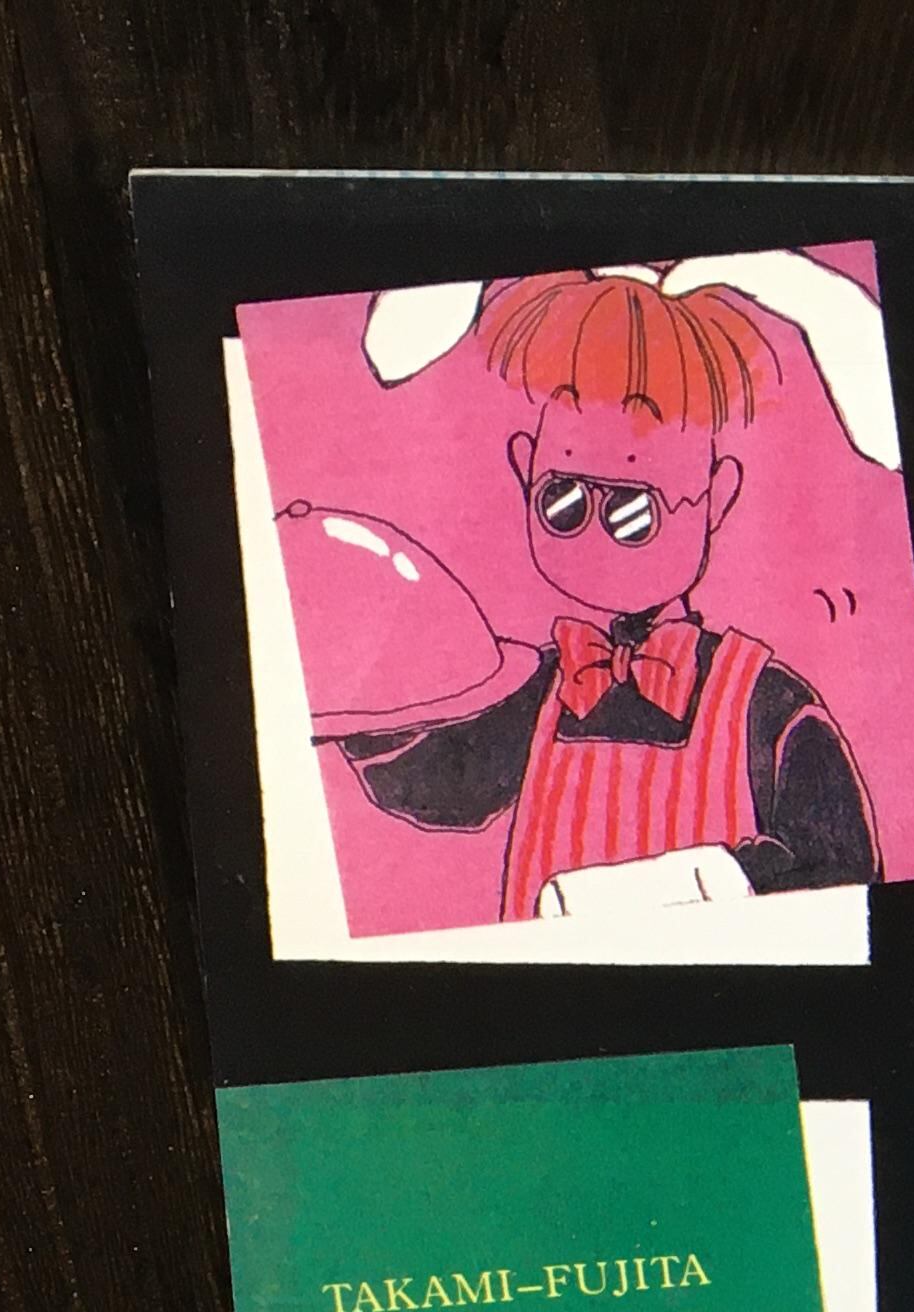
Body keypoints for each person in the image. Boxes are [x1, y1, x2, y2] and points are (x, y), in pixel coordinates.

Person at [332, 268, 879, 914]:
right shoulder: (539, 689)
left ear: (718, 497)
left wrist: (696, 885)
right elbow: (440, 783)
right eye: (563, 502)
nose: (597, 536)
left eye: (632, 511)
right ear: (525, 469)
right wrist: (354, 675)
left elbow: (844, 867)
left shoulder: (769, 707)